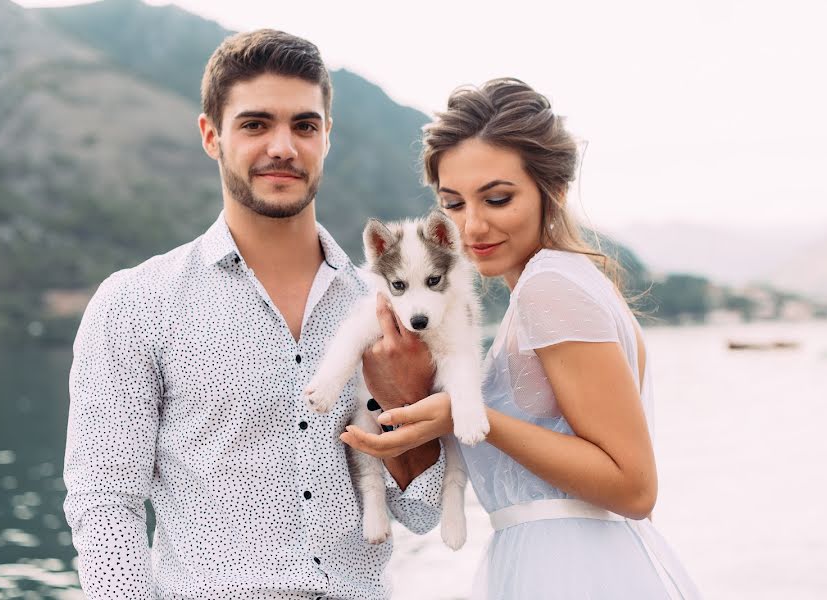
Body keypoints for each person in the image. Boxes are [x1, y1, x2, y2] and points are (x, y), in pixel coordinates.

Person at [63, 30, 446, 600]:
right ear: (211, 136)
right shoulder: (137, 303)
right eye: (255, 124)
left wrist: (402, 398)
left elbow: (421, 513)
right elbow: (103, 502)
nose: (283, 147)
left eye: (304, 125)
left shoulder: (389, 308)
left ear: (327, 137)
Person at [342, 78, 702, 599]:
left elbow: (635, 486)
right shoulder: (564, 281)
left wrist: (467, 417)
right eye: (454, 204)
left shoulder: (549, 287)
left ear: (551, 189)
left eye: (497, 198)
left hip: (570, 570)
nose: (472, 227)